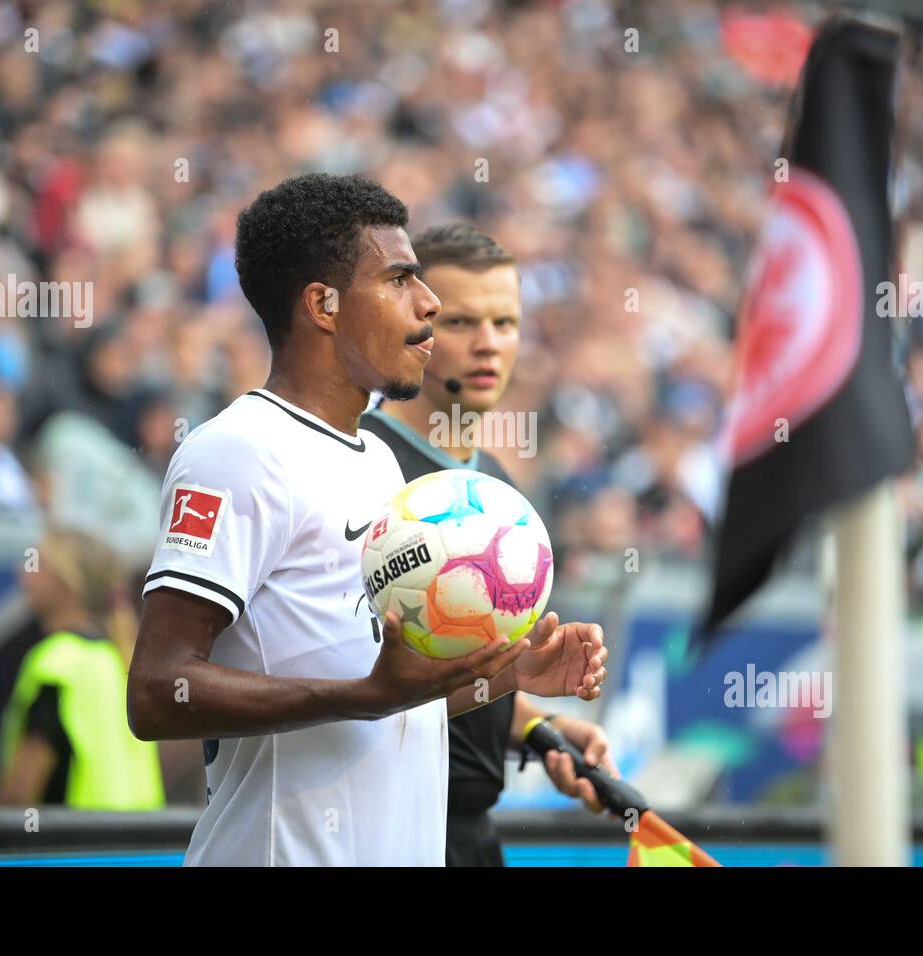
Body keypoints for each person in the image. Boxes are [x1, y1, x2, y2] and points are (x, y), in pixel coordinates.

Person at [126, 174, 608, 866]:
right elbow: (154, 692)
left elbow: (386, 711)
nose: (430, 304)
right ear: (322, 305)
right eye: (400, 281)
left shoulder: (379, 464)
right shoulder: (238, 452)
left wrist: (506, 678)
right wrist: (365, 693)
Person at [361, 222, 617, 866]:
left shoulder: (496, 487)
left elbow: (464, 670)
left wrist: (535, 728)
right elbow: (347, 687)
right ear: (412, 324)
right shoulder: (361, 469)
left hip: (472, 833)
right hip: (380, 829)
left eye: (505, 324)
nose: (488, 345)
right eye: (460, 323)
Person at [0, 528, 164, 809]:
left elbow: (19, 794)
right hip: (137, 849)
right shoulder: (120, 661)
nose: (23, 574)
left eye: (36, 564)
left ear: (67, 580)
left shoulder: (56, 662)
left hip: (71, 850)